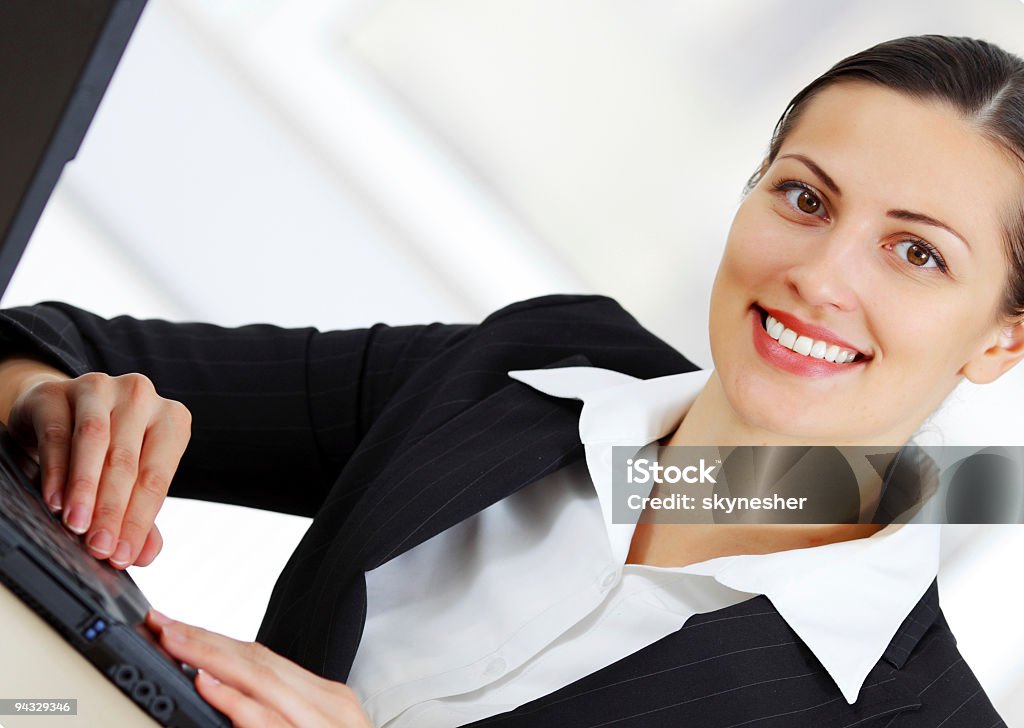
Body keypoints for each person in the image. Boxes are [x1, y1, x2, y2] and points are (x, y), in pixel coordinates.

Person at [0, 33, 1020, 727]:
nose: (821, 274)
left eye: (916, 254)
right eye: (803, 196)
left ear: (998, 342)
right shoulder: (516, 374)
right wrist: (53, 410)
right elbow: (38, 341)